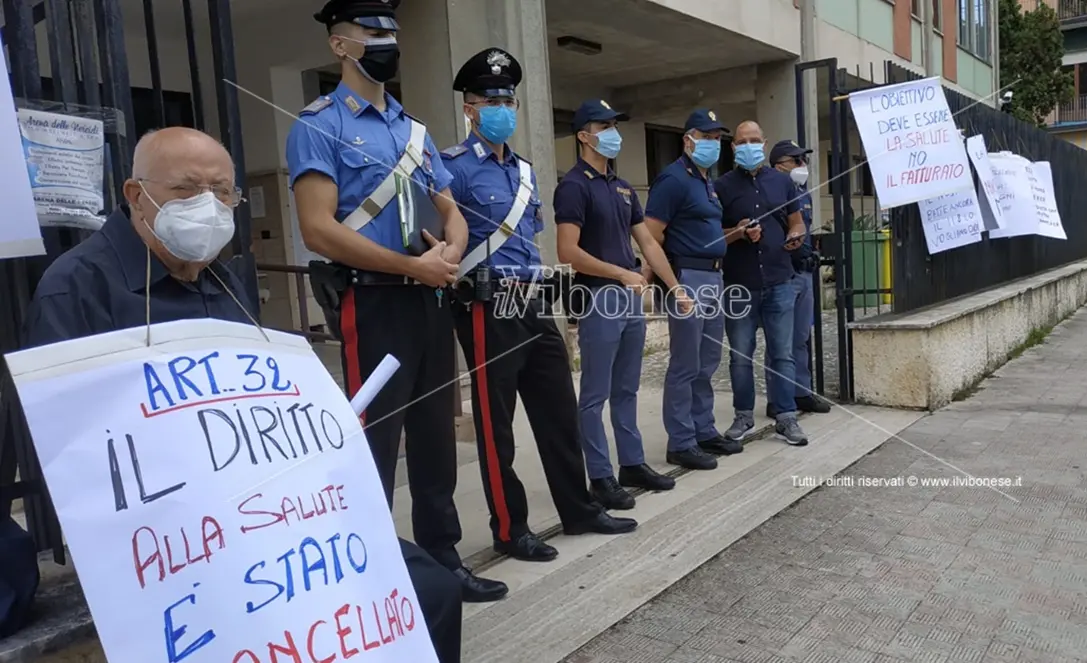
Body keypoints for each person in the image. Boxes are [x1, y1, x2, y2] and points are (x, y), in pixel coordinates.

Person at [21, 127, 466, 661]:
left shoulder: (222, 282)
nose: (209, 206)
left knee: (430, 590)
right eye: (188, 190)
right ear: (136, 195)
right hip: (173, 539)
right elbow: (67, 452)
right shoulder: (77, 289)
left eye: (223, 191)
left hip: (270, 513)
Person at [286, 0, 508, 609]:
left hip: (430, 301)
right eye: (374, 31)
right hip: (374, 301)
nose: (388, 40)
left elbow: (451, 210)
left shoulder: (414, 130)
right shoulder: (319, 123)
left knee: (437, 439)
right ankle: (368, 579)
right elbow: (317, 228)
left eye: (393, 31)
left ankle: (442, 562)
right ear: (340, 45)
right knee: (374, 445)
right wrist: (414, 265)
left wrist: (451, 254)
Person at [443, 49, 637, 563]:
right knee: (496, 426)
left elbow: (532, 243)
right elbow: (440, 239)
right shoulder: (454, 169)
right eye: (491, 100)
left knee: (558, 414)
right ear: (470, 108)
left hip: (534, 301)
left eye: (508, 99)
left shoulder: (524, 173)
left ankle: (579, 509)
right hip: (488, 306)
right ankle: (511, 527)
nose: (502, 107)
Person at [554, 99, 689, 510]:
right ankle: (599, 475)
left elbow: (648, 241)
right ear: (583, 135)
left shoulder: (622, 187)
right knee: (594, 393)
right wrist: (621, 274)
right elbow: (566, 251)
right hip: (599, 296)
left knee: (626, 388)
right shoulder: (574, 186)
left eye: (615, 125)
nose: (613, 132)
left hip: (629, 297)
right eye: (604, 125)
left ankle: (632, 463)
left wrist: (674, 286)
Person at [643, 109, 742, 471]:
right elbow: (652, 236)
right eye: (707, 137)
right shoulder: (672, 180)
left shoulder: (705, 181)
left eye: (718, 138)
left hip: (713, 278)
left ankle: (704, 429)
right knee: (685, 363)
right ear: (688, 140)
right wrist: (668, 283)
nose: (714, 144)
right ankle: (681, 440)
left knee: (707, 362)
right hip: (687, 277)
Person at [715, 122, 809, 446]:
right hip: (739, 285)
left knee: (782, 353)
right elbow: (713, 236)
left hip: (779, 279)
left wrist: (797, 235)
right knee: (740, 355)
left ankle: (786, 417)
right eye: (742, 142)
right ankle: (743, 416)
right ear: (733, 148)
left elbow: (796, 221)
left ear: (764, 142)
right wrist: (738, 232)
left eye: (755, 141)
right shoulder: (721, 187)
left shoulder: (782, 183)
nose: (749, 146)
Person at [768, 140, 831, 416]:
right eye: (796, 161)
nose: (802, 166)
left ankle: (801, 391)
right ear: (780, 165)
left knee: (801, 337)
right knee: (781, 342)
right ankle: (779, 399)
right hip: (785, 273)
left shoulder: (801, 191)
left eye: (803, 160)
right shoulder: (773, 191)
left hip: (804, 271)